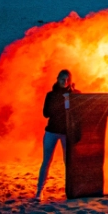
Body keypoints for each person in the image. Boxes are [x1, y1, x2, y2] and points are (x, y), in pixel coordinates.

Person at [36, 70, 77, 200]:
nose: (65, 82)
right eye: (62, 79)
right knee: (46, 161)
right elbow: (46, 114)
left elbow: (79, 113)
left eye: (67, 80)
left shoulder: (75, 94)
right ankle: (39, 191)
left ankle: (71, 191)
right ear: (57, 78)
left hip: (67, 133)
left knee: (68, 163)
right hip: (52, 131)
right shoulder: (51, 95)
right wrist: (60, 102)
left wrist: (71, 98)